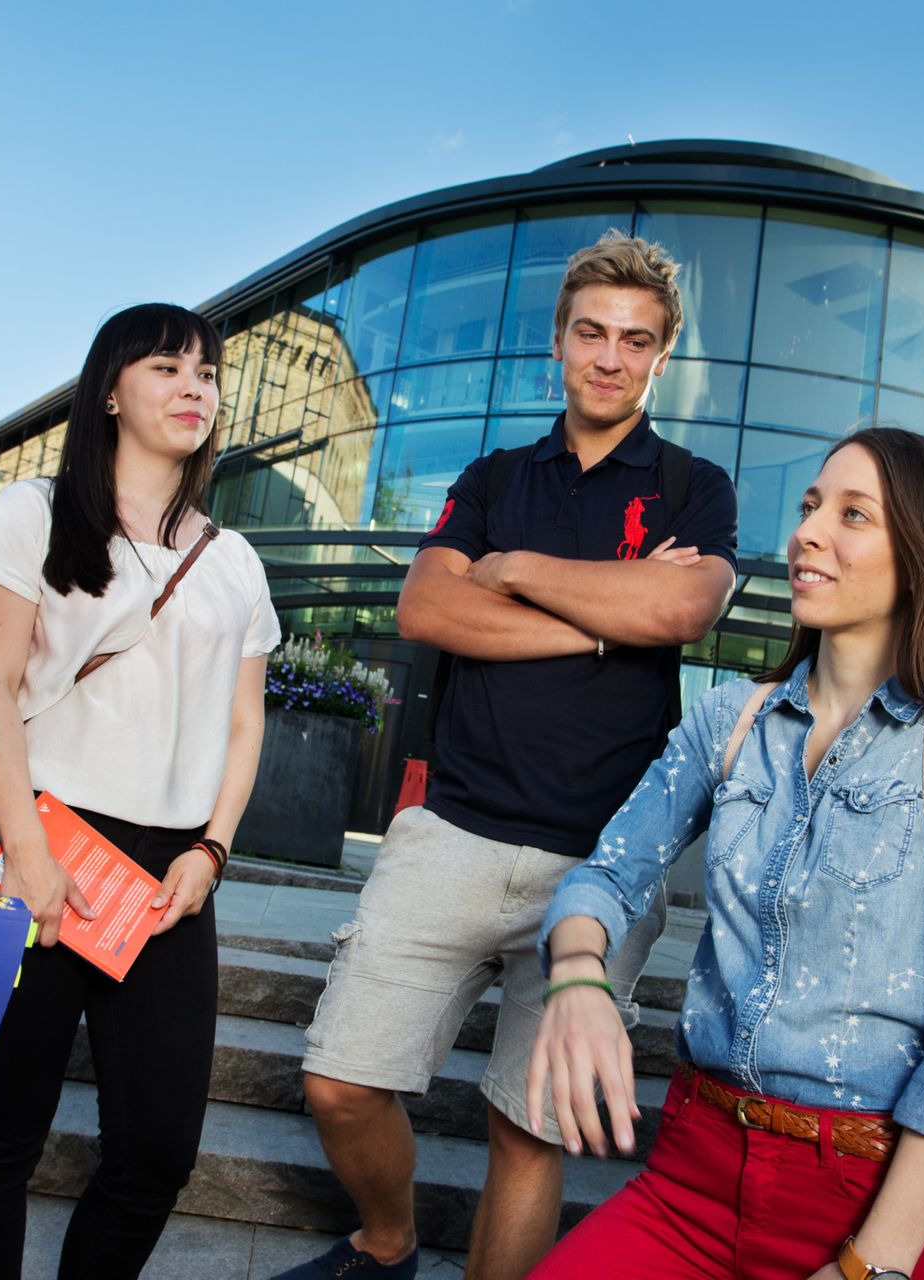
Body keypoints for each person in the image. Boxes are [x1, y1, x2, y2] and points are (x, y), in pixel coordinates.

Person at [278, 232, 740, 1280]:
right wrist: (603, 616)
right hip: (451, 834)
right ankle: (388, 1240)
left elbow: (682, 603)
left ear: (661, 358)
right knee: (340, 1081)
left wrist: (523, 570)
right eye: (592, 333)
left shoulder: (693, 484)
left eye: (636, 340)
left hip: (599, 864)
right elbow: (431, 604)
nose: (611, 357)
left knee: (529, 1132)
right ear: (560, 341)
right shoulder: (491, 474)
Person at [525, 427, 924, 1280]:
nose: (809, 533)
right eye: (810, 506)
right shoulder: (729, 721)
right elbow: (605, 876)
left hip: (876, 1209)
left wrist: (871, 1266)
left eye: (853, 514)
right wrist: (576, 977)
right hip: (693, 1180)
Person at [0, 303, 280, 1280]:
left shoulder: (235, 560)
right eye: (168, 367)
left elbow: (243, 722)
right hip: (30, 835)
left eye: (207, 372)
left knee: (158, 1150)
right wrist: (32, 856)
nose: (194, 388)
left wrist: (211, 848)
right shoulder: (34, 512)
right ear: (112, 390)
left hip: (168, 868)